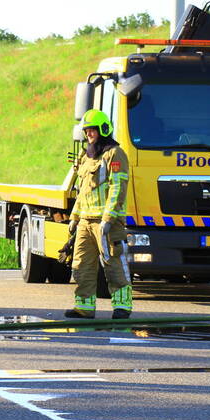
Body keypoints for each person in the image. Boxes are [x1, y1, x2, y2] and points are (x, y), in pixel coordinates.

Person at [65, 109, 132, 319]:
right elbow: (83, 189)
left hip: (107, 223)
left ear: (103, 129)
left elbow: (117, 188)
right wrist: (75, 217)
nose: (89, 135)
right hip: (85, 221)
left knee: (114, 264)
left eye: (92, 130)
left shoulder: (114, 153)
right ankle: (84, 307)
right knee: (81, 265)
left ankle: (122, 306)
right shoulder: (86, 155)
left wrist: (108, 219)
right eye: (86, 131)